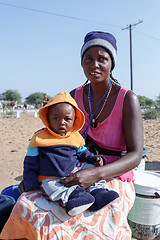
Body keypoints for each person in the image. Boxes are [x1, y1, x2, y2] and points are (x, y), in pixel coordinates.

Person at [0, 31, 143, 240]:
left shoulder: (127, 98)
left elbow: (136, 155)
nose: (94, 64)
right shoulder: (74, 96)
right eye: (88, 59)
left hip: (112, 173)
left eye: (102, 58)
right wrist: (36, 174)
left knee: (94, 218)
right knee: (28, 204)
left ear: (112, 62)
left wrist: (95, 174)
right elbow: (57, 139)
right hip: (69, 167)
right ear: (82, 63)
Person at [23, 91, 119, 217]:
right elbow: (30, 164)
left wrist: (95, 159)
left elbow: (83, 153)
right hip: (51, 177)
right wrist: (30, 184)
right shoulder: (39, 138)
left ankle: (98, 193)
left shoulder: (75, 137)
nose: (62, 122)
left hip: (74, 171)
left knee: (92, 168)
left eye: (67, 119)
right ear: (48, 119)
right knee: (51, 188)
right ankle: (74, 199)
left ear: (75, 120)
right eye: (56, 118)